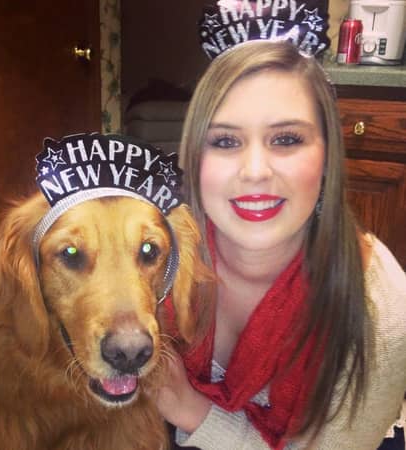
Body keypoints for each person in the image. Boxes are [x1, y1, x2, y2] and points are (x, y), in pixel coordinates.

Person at [154, 40, 406, 449]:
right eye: (225, 141)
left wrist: (192, 410)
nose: (255, 171)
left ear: (328, 156)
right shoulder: (153, 258)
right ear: (194, 157)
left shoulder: (384, 311)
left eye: (286, 139)